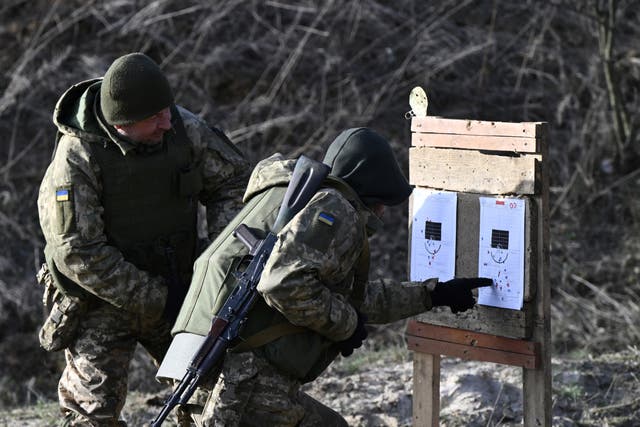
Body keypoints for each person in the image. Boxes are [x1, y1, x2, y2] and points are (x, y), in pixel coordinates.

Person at [161, 127, 492, 426]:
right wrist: (344, 325)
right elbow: (282, 282)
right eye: (380, 203)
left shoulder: (283, 195)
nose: (380, 213)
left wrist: (434, 294)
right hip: (237, 374)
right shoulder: (334, 208)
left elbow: (349, 296)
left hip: (193, 361)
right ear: (369, 192)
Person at [36, 52, 250, 426]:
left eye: (167, 109)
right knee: (91, 415)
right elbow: (78, 252)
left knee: (218, 396)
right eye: (155, 117)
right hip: (99, 301)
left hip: (178, 286)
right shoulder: (77, 159)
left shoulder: (183, 129)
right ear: (123, 123)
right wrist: (156, 300)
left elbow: (234, 183)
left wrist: (220, 262)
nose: (168, 122)